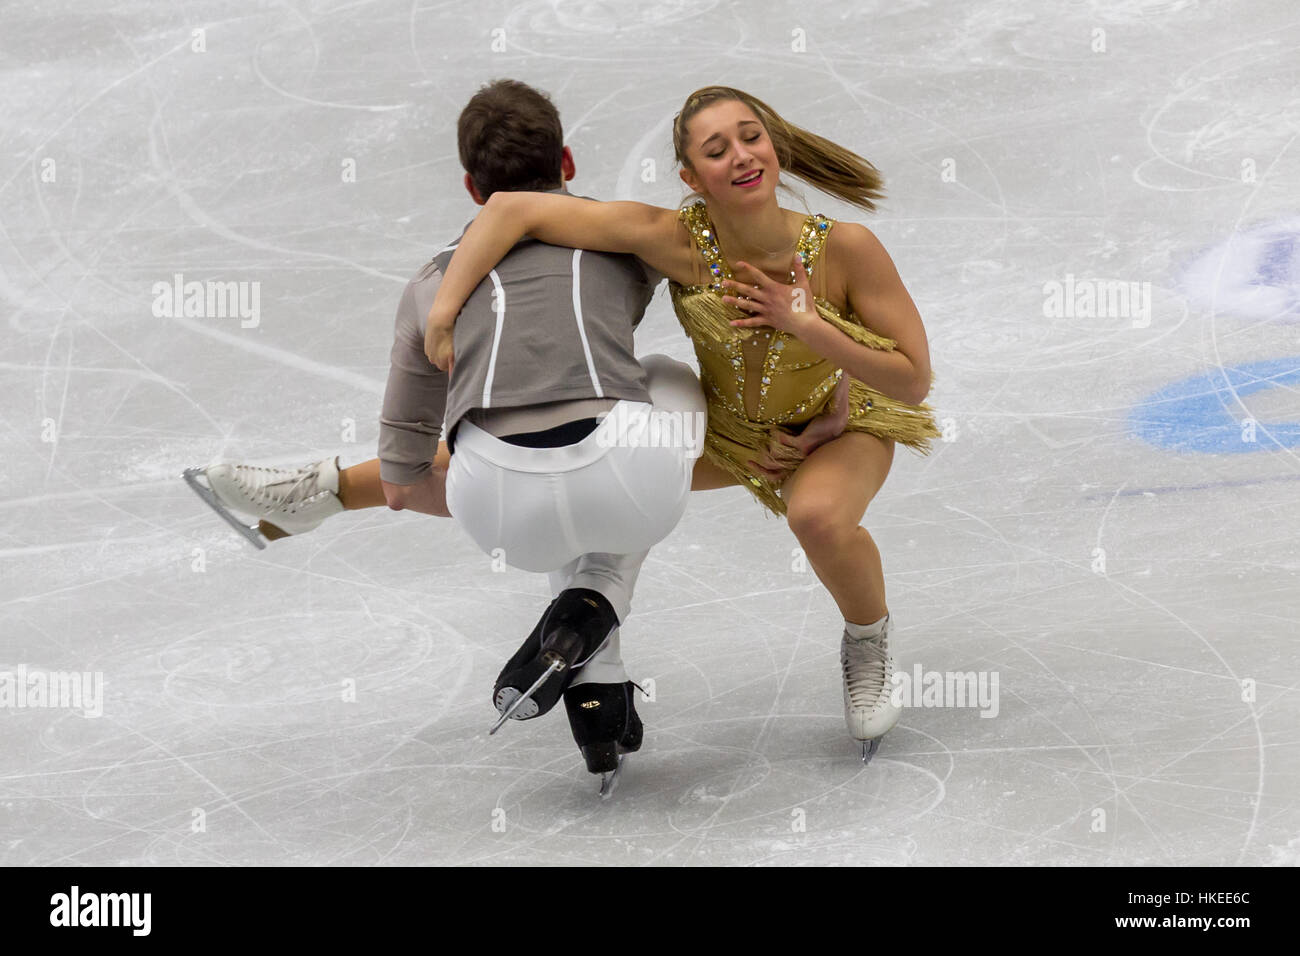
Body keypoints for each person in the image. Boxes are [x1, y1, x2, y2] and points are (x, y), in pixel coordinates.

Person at [186, 80, 848, 786]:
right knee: (656, 382)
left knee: (510, 448)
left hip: (500, 513)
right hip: (636, 480)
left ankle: (596, 694)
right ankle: (593, 605)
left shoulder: (427, 286)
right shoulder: (626, 242)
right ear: (567, 161)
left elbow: (405, 483)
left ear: (472, 188)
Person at [423, 85, 940, 761]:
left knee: (815, 518)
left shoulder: (845, 248)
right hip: (732, 437)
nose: (741, 156)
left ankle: (866, 642)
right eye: (716, 150)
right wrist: (442, 315)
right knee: (595, 472)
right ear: (693, 178)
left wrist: (809, 326)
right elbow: (510, 210)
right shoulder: (680, 243)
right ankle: (593, 633)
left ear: (774, 147)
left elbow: (912, 378)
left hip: (839, 427)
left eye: (751, 137)